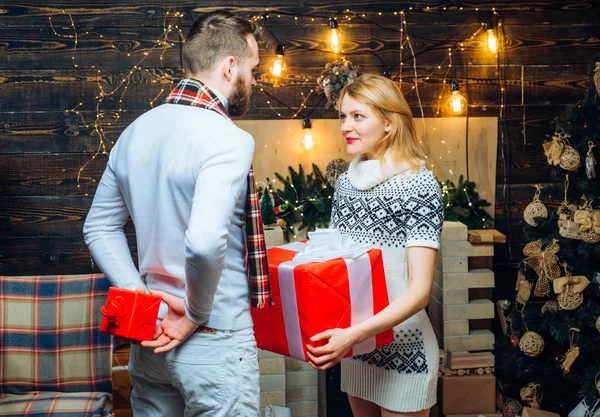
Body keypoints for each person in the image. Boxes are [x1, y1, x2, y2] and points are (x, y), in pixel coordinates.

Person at [83, 11, 269, 417]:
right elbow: (203, 244)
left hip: (151, 336)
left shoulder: (134, 131)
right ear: (230, 65)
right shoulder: (228, 139)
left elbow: (98, 227)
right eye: (253, 70)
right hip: (214, 337)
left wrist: (143, 297)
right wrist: (194, 316)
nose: (254, 81)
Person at [306, 74, 443, 417]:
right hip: (358, 348)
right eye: (343, 116)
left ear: (388, 123)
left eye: (358, 116)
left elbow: (419, 293)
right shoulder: (345, 186)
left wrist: (352, 335)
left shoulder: (419, 184)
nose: (345, 126)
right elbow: (342, 270)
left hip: (405, 350)